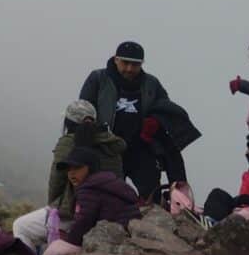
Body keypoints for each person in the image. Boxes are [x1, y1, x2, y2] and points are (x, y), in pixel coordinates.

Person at [78, 41, 201, 201]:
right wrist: (89, 124)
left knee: (152, 195)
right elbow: (84, 107)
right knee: (109, 196)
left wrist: (155, 121)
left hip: (142, 150)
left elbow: (165, 107)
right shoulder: (98, 79)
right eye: (125, 62)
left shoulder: (151, 83)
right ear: (116, 59)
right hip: (108, 149)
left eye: (135, 64)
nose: (129, 68)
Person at [12, 100, 127, 252]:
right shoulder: (112, 144)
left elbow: (56, 181)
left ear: (68, 122)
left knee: (21, 226)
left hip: (75, 211)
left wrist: (55, 207)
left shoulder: (68, 143)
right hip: (109, 212)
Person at [40, 147, 141, 255]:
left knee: (50, 253)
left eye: (77, 167)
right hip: (128, 235)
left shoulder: (88, 189)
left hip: (113, 240)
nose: (72, 173)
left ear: (90, 168)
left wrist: (68, 242)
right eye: (69, 169)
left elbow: (84, 220)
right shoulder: (107, 182)